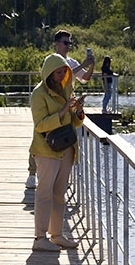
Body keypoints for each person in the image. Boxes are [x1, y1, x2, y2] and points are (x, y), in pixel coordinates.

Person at [25, 29, 95, 189]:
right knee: (41, 135)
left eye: (70, 43)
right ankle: (32, 172)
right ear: (56, 44)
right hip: (49, 102)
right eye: (65, 43)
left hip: (67, 102)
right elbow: (64, 76)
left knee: (65, 136)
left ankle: (62, 174)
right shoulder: (51, 60)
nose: (68, 46)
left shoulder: (72, 62)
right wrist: (83, 65)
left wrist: (91, 65)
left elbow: (85, 78)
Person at [29, 53, 85, 252]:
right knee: (44, 193)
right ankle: (39, 237)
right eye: (58, 72)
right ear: (48, 73)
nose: (62, 75)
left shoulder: (65, 89)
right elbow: (40, 125)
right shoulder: (38, 93)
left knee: (59, 194)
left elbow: (74, 122)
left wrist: (78, 111)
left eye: (64, 72)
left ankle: (57, 235)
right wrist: (62, 111)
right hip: (46, 150)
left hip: (67, 148)